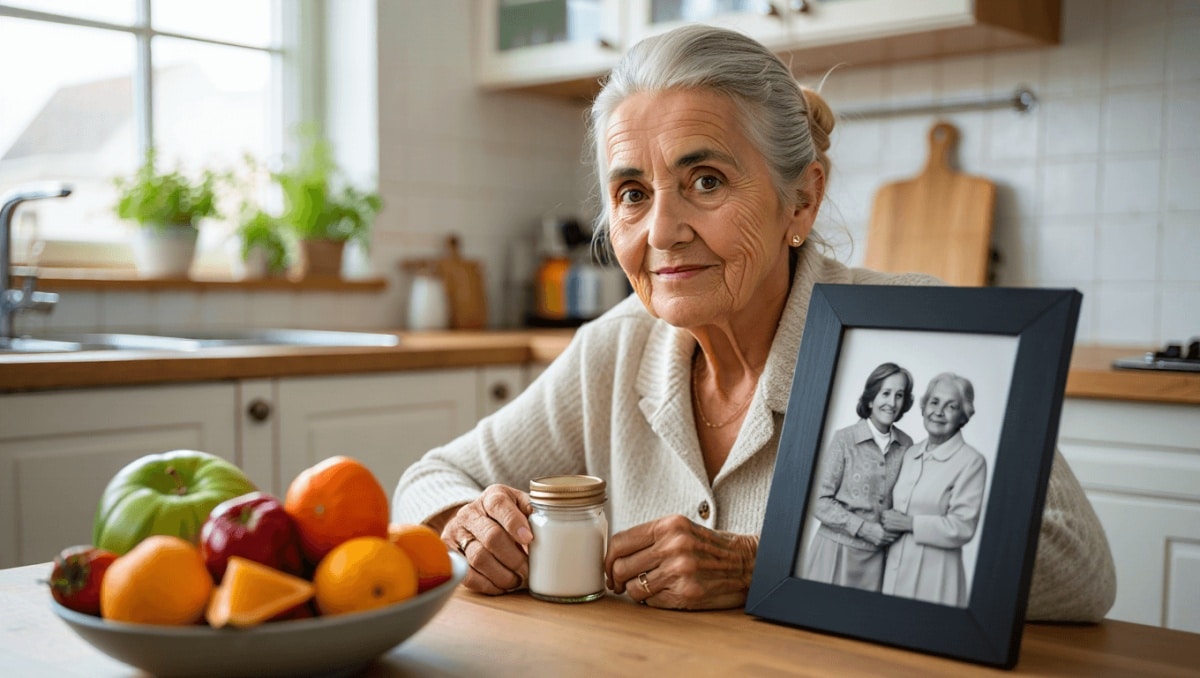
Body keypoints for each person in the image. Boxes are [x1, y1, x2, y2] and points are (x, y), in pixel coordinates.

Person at [392, 24, 1116, 620]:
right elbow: (429, 477)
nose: (664, 230)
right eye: (634, 193)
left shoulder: (905, 333)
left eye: (705, 182)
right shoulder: (616, 347)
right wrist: (466, 520)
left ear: (801, 201)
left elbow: (1076, 567)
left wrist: (768, 563)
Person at [803, 363, 915, 591]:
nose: (892, 403)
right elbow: (818, 502)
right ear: (871, 398)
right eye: (885, 393)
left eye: (899, 395)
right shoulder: (844, 439)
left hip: (878, 559)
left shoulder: (906, 445)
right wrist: (864, 528)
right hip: (835, 553)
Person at [881, 373, 987, 607]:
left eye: (951, 406)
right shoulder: (909, 453)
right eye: (934, 402)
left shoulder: (971, 462)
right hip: (894, 570)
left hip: (936, 577)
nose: (939, 412)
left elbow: (963, 527)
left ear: (963, 415)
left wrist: (910, 523)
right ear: (924, 406)